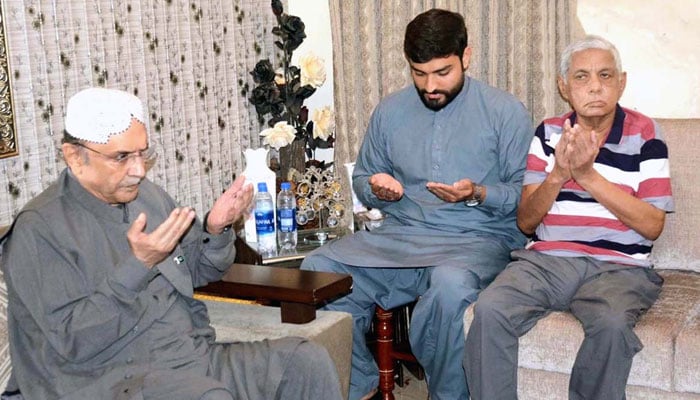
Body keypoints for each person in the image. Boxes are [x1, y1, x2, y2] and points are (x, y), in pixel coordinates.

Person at [0, 87, 343, 400]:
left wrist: (216, 229)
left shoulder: (145, 196)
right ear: (75, 156)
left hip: (189, 358)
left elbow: (195, 270)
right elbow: (73, 341)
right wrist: (138, 266)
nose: (137, 170)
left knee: (305, 362)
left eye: (142, 154)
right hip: (104, 379)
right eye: (122, 157)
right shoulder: (40, 230)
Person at [301, 9, 533, 400]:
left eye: (442, 72)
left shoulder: (504, 112)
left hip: (476, 241)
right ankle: (360, 384)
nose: (430, 86)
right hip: (401, 236)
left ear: (467, 56)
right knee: (318, 269)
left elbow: (527, 198)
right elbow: (364, 178)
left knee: (450, 286)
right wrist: (380, 189)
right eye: (419, 73)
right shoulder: (391, 111)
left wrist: (477, 193)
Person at [463, 35, 674, 400]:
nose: (595, 86)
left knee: (610, 325)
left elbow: (653, 225)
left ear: (621, 82)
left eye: (605, 75)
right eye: (581, 77)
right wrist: (559, 173)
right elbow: (526, 223)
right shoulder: (547, 134)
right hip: (546, 262)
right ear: (563, 86)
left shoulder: (645, 135)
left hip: (619, 267)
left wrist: (588, 175)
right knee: (491, 309)